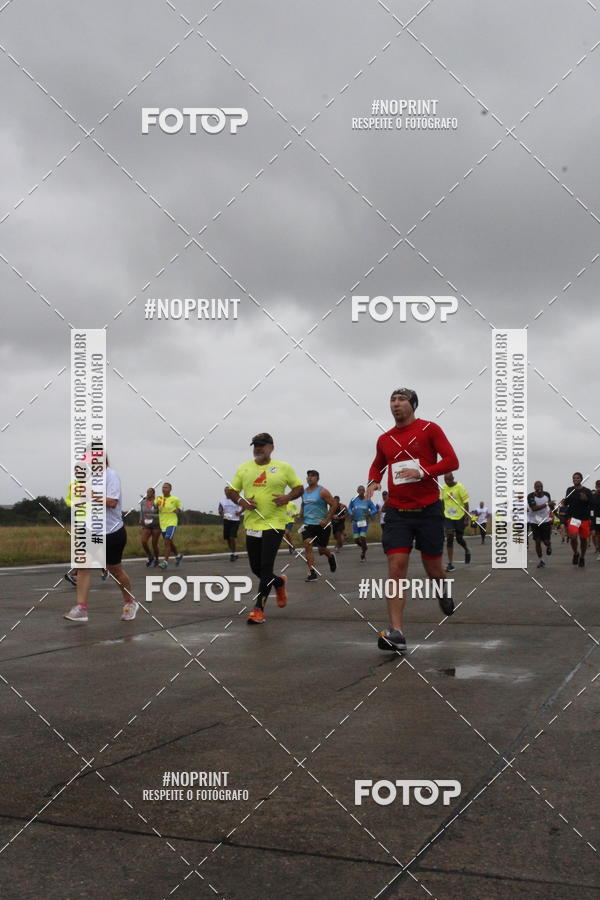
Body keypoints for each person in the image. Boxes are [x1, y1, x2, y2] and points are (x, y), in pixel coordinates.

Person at [366, 388, 458, 652]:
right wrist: (374, 480)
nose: (396, 404)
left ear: (413, 405)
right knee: (396, 568)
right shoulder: (385, 439)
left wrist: (421, 471)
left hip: (428, 510)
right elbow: (378, 464)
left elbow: (452, 461)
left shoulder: (430, 429)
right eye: (392, 400)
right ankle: (397, 633)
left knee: (434, 569)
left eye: (402, 400)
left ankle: (442, 588)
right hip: (397, 513)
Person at [226, 433, 304, 624]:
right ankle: (279, 582)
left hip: (275, 523)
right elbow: (230, 490)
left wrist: (287, 498)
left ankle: (258, 609)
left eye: (262, 445)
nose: (258, 448)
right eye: (255, 445)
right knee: (256, 568)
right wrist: (241, 500)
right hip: (252, 524)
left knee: (266, 566)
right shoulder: (244, 468)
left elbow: (298, 488)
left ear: (271, 447)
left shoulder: (284, 468)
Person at [64, 455, 138, 622]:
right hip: (93, 531)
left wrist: (89, 495)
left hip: (112, 532)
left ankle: (130, 603)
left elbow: (112, 502)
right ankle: (81, 608)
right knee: (83, 566)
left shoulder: (111, 475)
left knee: (115, 571)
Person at [63, 477, 108, 585]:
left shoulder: (91, 485)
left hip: (91, 520)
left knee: (86, 548)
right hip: (78, 519)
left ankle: (76, 575)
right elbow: (67, 499)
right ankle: (103, 568)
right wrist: (73, 504)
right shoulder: (72, 485)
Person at [301, 470, 337, 581]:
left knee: (321, 550)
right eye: (308, 476)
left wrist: (327, 520)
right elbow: (303, 503)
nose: (309, 478)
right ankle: (312, 573)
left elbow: (334, 504)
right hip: (308, 525)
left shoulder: (322, 491)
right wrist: (301, 513)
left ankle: (331, 557)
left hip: (321, 525)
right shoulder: (303, 492)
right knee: (308, 544)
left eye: (312, 476)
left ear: (317, 478)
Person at [441, 473, 471, 571]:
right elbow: (442, 502)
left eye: (449, 480)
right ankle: (450, 564)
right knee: (449, 538)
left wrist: (466, 518)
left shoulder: (460, 487)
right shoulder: (444, 488)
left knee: (459, 539)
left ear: (453, 478)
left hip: (459, 516)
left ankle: (466, 550)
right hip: (448, 516)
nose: (447, 482)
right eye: (446, 480)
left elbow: (466, 502)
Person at [564, 472, 593, 567]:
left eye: (577, 478)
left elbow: (592, 504)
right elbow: (566, 502)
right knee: (573, 537)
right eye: (574, 478)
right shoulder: (569, 490)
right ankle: (576, 553)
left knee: (583, 539)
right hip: (573, 518)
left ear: (581, 479)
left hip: (584, 518)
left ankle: (582, 557)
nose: (575, 480)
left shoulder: (587, 491)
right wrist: (563, 502)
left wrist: (586, 499)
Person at [156, 482, 184, 568]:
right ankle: (178, 555)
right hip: (162, 523)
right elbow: (154, 507)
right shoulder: (159, 498)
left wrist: (178, 510)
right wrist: (155, 506)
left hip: (172, 523)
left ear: (170, 489)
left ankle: (165, 562)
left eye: (166, 487)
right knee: (169, 542)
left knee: (167, 541)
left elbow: (181, 508)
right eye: (163, 487)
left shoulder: (175, 499)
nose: (164, 489)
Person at [347, 486, 377, 561]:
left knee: (362, 537)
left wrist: (370, 514)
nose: (361, 491)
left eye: (362, 490)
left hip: (364, 522)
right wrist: (351, 513)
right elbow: (349, 508)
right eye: (359, 490)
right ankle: (364, 547)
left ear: (364, 491)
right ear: (357, 491)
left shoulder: (368, 500)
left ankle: (363, 552)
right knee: (356, 540)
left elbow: (374, 509)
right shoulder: (353, 500)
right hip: (355, 522)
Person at [527, 481, 552, 568]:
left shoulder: (547, 495)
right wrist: (546, 504)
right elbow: (534, 508)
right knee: (537, 541)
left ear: (542, 487)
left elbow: (550, 506)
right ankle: (541, 560)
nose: (538, 488)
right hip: (535, 522)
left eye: (540, 486)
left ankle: (549, 546)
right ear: (534, 487)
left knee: (546, 541)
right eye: (536, 487)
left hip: (545, 521)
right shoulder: (531, 496)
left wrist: (552, 512)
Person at [140, 487, 161, 567]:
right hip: (147, 525)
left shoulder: (157, 502)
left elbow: (161, 514)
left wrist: (151, 515)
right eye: (147, 492)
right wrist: (141, 520)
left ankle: (157, 559)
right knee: (144, 541)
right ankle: (150, 556)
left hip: (156, 524)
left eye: (149, 492)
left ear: (153, 493)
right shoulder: (143, 502)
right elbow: (141, 512)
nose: (148, 493)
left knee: (154, 543)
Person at [218, 495, 243, 562]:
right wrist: (220, 512)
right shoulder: (222, 501)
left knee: (232, 537)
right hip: (227, 520)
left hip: (235, 520)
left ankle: (233, 554)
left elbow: (244, 506)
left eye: (227, 491)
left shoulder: (236, 499)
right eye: (225, 491)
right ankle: (233, 553)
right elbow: (220, 509)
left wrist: (240, 512)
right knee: (228, 538)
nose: (226, 493)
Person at [591, 480, 600, 560]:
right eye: (598, 485)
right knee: (596, 534)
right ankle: (598, 549)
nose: (599, 486)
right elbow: (590, 508)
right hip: (597, 518)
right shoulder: (594, 496)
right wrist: (591, 518)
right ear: (596, 486)